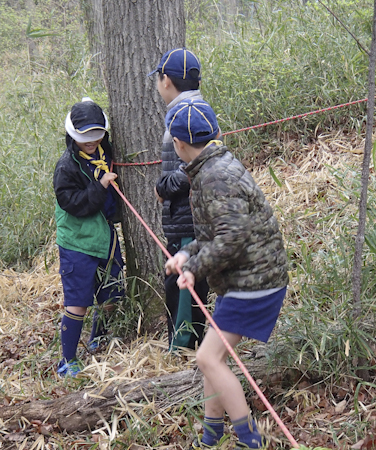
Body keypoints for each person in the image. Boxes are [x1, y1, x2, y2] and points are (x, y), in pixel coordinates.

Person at [163, 99, 288, 450]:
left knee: (206, 358)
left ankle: (250, 440)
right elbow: (215, 235)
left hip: (256, 282)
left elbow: (231, 240)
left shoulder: (215, 177)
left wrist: (192, 268)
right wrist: (186, 254)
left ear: (179, 144)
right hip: (248, 279)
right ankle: (211, 436)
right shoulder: (212, 166)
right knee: (211, 358)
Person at [53, 97, 124, 377]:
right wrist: (100, 186)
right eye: (84, 137)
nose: (91, 141)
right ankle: (68, 360)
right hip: (77, 243)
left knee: (111, 292)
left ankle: (99, 338)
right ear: (72, 135)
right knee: (78, 301)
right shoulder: (66, 166)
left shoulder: (105, 151)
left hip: (105, 237)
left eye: (96, 135)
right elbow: (72, 203)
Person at [147, 48, 210, 352]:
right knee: (181, 284)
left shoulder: (185, 115)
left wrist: (164, 187)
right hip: (185, 219)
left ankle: (184, 350)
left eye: (158, 78)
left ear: (166, 80)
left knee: (184, 286)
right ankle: (186, 344)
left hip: (189, 219)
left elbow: (195, 165)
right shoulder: (191, 109)